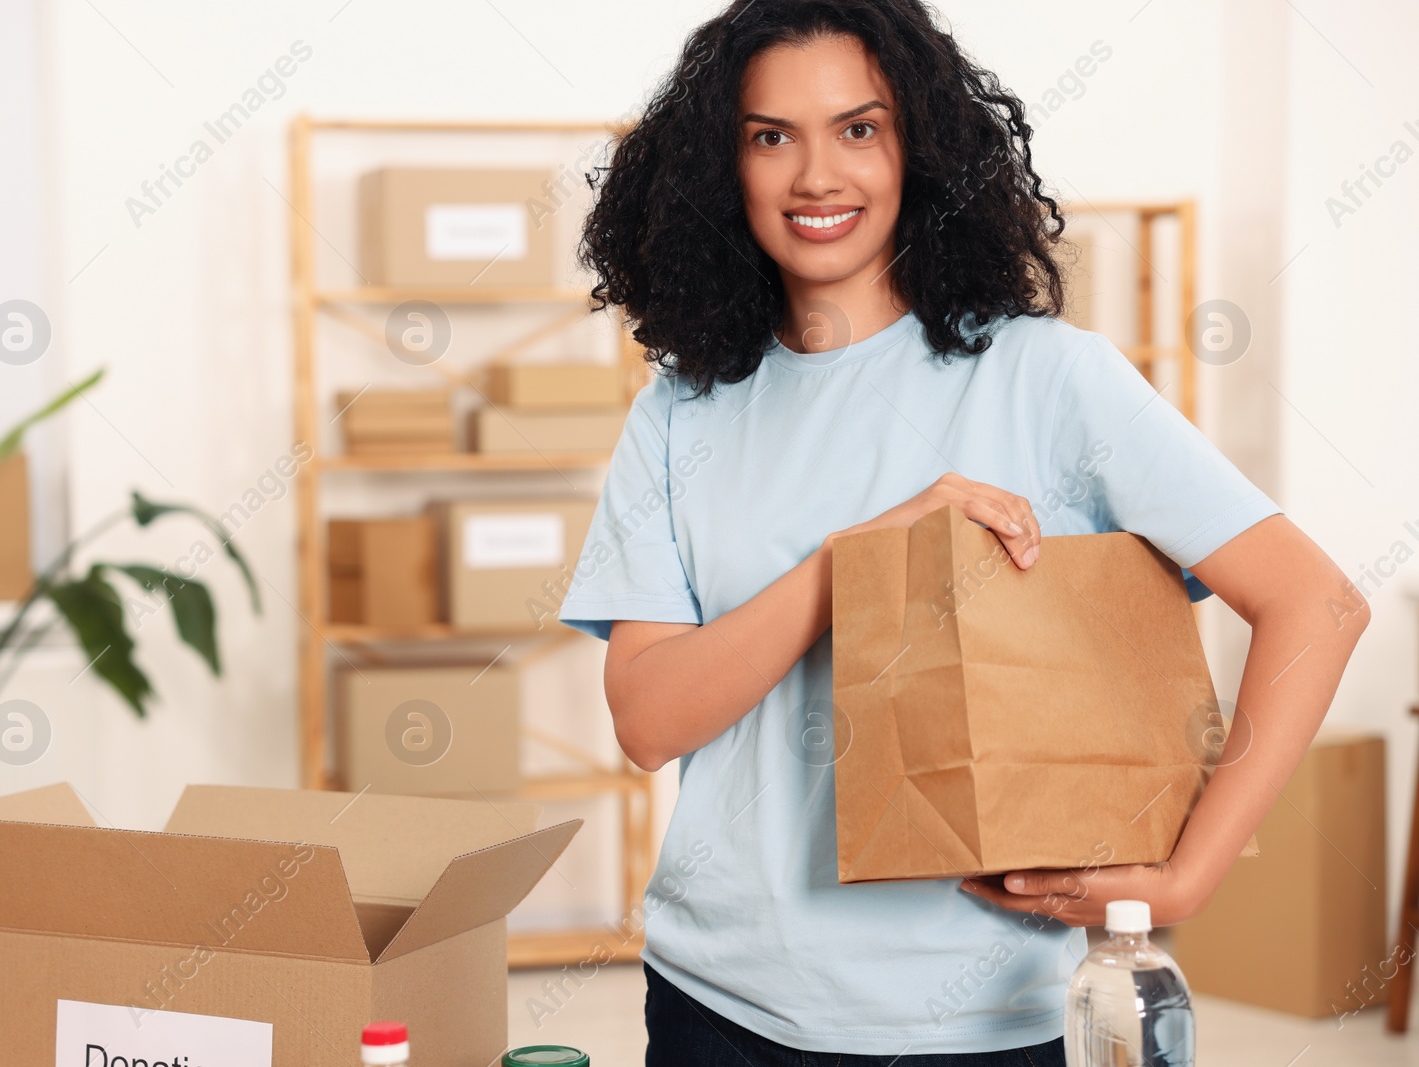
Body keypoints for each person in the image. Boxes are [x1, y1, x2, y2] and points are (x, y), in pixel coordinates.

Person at [557, 1, 1370, 1064]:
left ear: (922, 148)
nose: (816, 176)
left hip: (986, 1018)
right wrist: (855, 563)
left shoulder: (1046, 377)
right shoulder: (682, 408)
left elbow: (1317, 603)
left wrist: (1189, 871)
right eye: (770, 136)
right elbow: (650, 719)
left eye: (859, 128)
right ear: (722, 167)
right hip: (719, 1001)